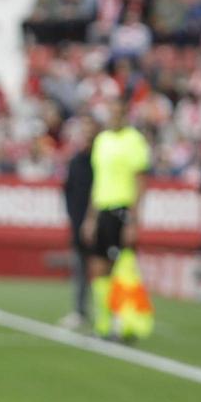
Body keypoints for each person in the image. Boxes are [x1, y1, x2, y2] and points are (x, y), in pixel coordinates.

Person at [82, 99, 150, 339]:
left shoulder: (134, 140)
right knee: (99, 267)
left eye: (119, 112)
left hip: (122, 210)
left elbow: (140, 181)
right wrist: (90, 218)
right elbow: (98, 182)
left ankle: (125, 323)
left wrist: (133, 219)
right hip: (103, 209)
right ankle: (103, 322)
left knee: (121, 269)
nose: (115, 116)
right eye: (111, 112)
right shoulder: (102, 141)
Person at [59, 114, 96, 331]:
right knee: (80, 269)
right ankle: (80, 310)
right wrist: (75, 220)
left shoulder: (101, 160)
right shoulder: (76, 162)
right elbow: (68, 191)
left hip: (100, 221)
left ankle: (109, 312)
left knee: (103, 269)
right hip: (79, 221)